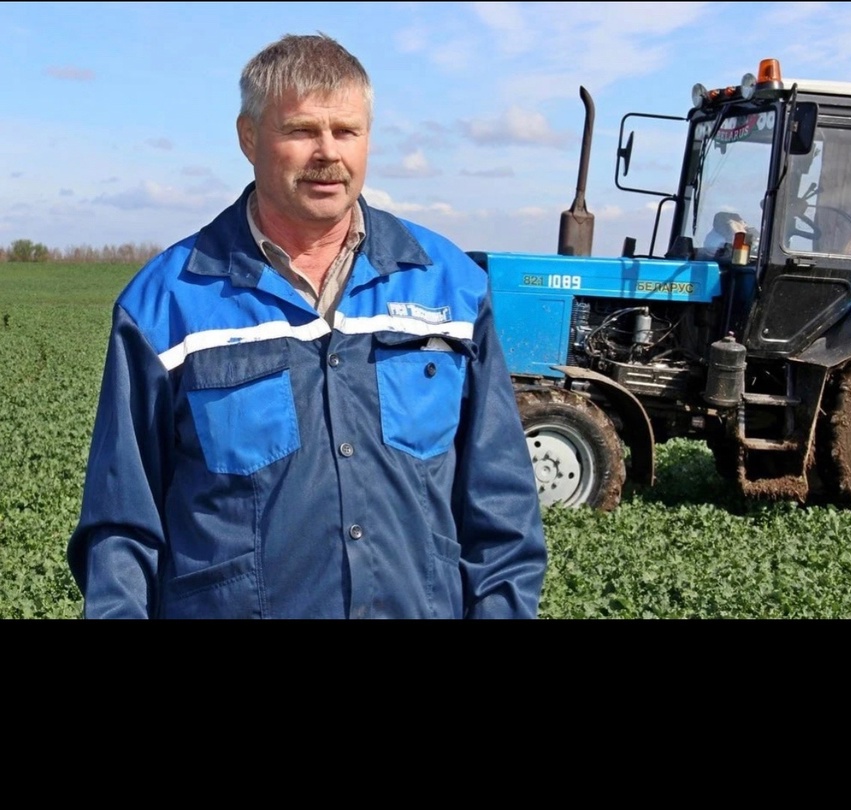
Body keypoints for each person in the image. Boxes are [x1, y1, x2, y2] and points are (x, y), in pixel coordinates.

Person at [68, 33, 546, 619]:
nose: (328, 153)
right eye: (300, 131)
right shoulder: (166, 305)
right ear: (249, 137)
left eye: (346, 131)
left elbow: (503, 512)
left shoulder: (451, 287)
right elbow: (121, 528)